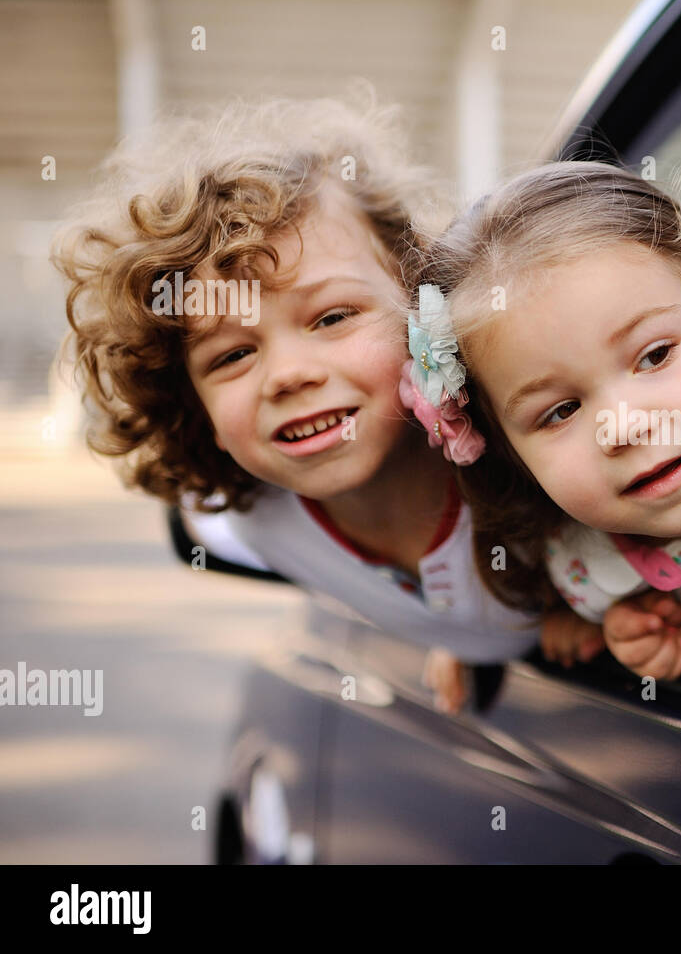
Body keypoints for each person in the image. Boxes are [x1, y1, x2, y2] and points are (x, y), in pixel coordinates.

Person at [51, 93, 603, 714]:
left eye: (332, 316)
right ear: (191, 407)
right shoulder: (255, 523)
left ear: (421, 299)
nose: (287, 375)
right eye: (231, 356)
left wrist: (608, 609)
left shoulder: (537, 454)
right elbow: (447, 593)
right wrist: (466, 635)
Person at [410, 162, 681, 680]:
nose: (624, 427)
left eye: (654, 356)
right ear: (508, 451)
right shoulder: (586, 572)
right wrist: (639, 634)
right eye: (560, 412)